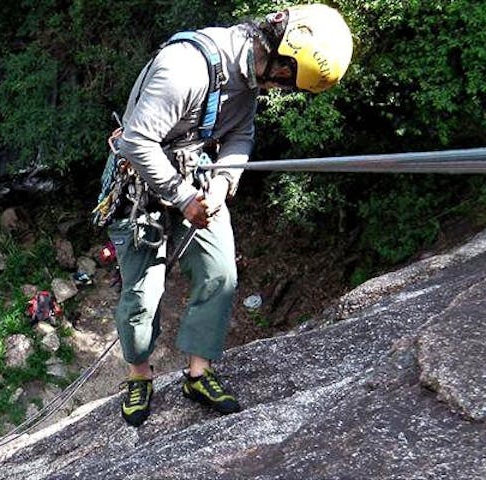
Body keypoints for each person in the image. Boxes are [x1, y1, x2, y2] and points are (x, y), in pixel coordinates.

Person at [104, 3, 353, 426]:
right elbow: (137, 142)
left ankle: (198, 373)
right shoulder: (184, 68)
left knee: (221, 273)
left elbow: (241, 133)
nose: (282, 89)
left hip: (200, 179)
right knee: (142, 296)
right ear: (281, 61)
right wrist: (185, 199)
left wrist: (221, 186)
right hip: (143, 185)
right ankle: (139, 375)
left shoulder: (248, 76)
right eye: (286, 82)